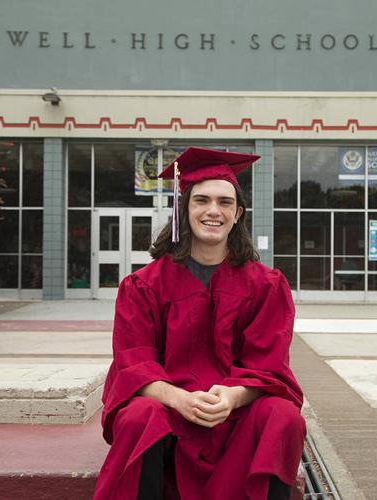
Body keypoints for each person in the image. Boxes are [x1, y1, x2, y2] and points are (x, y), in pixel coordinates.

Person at [93, 147, 305, 500]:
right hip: (169, 414)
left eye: (224, 202)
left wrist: (234, 396)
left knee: (282, 415)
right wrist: (178, 398)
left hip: (236, 417)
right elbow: (134, 365)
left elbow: (269, 368)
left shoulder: (266, 285)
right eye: (201, 200)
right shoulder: (144, 285)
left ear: (237, 214)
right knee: (138, 416)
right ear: (185, 210)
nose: (213, 211)